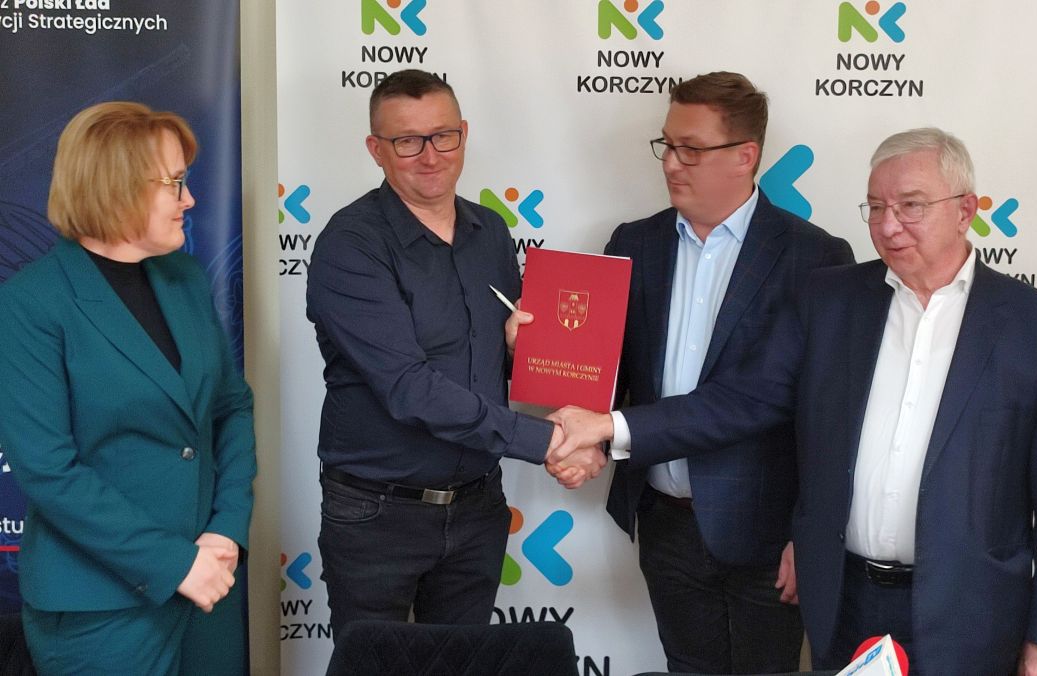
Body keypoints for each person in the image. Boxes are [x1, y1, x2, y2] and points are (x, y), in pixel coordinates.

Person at [549, 128, 1037, 675]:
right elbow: (742, 400)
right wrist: (610, 427)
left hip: (972, 612)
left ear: (965, 210)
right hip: (844, 601)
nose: (888, 226)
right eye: (875, 207)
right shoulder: (829, 300)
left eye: (911, 206)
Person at [547, 71, 853, 674]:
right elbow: (604, 373)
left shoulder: (816, 258)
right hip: (665, 525)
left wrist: (811, 535)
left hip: (768, 537)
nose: (671, 164)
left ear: (746, 156)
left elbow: (798, 409)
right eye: (667, 145)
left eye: (691, 149)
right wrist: (537, 362)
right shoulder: (635, 242)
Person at [306, 69, 605, 640]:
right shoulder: (350, 244)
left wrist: (518, 351)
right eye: (407, 141)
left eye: (443, 136)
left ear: (463, 134)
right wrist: (550, 442)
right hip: (378, 514)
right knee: (374, 665)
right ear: (376, 149)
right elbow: (408, 387)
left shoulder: (490, 231)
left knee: (464, 663)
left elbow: (488, 367)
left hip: (477, 509)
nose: (430, 155)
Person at [0, 101, 256, 674]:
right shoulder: (31, 304)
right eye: (176, 183)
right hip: (100, 607)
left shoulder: (184, 278)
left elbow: (231, 407)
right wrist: (175, 564)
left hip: (210, 584)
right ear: (117, 186)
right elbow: (48, 470)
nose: (190, 199)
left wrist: (226, 529)